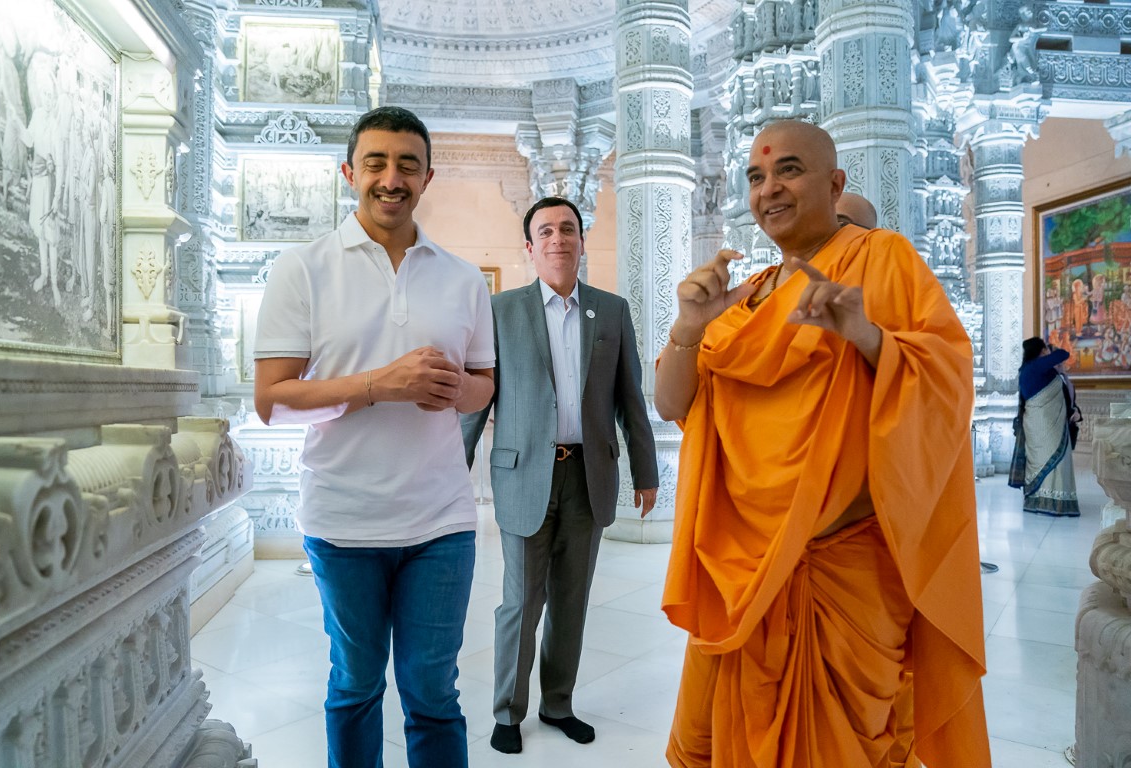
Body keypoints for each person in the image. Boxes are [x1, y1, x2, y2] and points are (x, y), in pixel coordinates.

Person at [654, 120, 989, 767]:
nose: (769, 188)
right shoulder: (745, 296)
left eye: (789, 170)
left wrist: (866, 335)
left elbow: (946, 384)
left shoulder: (882, 259)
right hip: (738, 573)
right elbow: (672, 404)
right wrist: (690, 326)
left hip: (843, 570)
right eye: (756, 176)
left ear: (835, 184)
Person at [253, 106, 495, 768]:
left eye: (408, 165)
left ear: (427, 178)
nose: (392, 179)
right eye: (376, 163)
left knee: (432, 691)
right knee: (356, 684)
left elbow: (483, 386)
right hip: (343, 523)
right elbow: (272, 401)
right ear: (349, 173)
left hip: (442, 522)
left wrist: (457, 390)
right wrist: (378, 385)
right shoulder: (302, 269)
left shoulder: (462, 278)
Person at [460, 196, 660, 755]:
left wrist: (646, 472)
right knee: (521, 602)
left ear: (580, 241)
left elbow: (630, 398)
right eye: (545, 231)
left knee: (572, 600)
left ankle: (557, 704)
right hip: (525, 475)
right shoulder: (501, 311)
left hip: (588, 476)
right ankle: (507, 710)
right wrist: (451, 469)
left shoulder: (611, 311)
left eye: (567, 229)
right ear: (530, 247)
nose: (557, 239)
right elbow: (478, 401)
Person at [1008, 337, 1080, 516]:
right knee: (1055, 460)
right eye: (1046, 349)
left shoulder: (1027, 369)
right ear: (1042, 351)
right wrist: (1052, 350)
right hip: (1046, 425)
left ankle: (1037, 501)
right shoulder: (1037, 366)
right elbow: (1064, 354)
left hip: (1036, 425)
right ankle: (1056, 502)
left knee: (1040, 462)